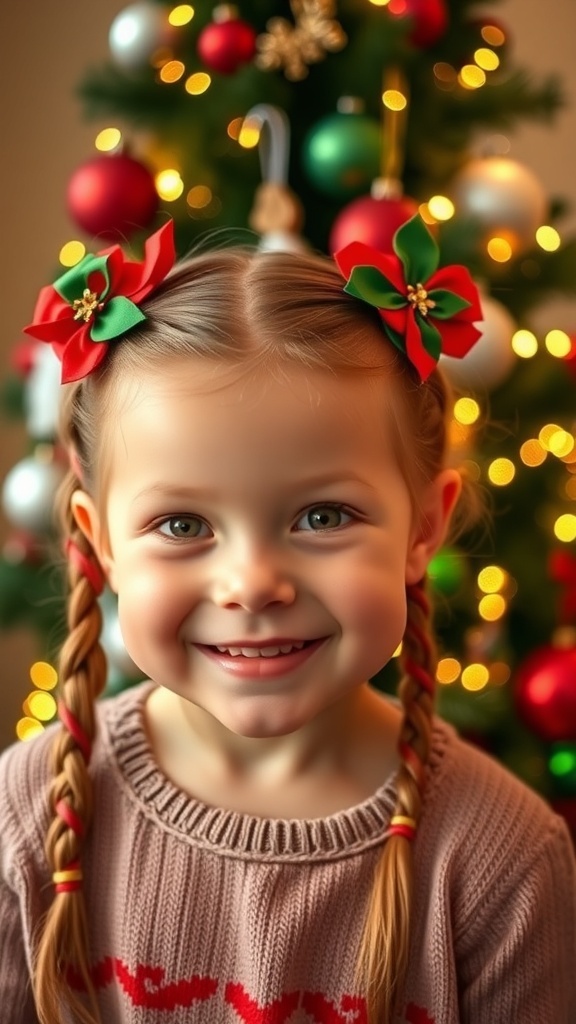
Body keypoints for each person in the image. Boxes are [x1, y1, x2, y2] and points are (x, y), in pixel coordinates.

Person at [1, 215, 575, 1024]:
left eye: (322, 517)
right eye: (182, 525)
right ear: (100, 545)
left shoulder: (501, 858)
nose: (252, 584)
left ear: (422, 528)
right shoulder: (27, 812)